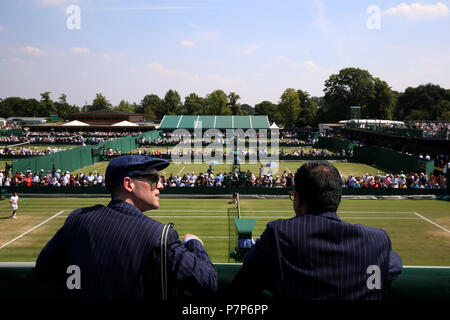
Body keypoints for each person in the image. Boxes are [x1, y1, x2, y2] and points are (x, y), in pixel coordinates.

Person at [34, 155, 218, 300]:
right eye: (153, 179)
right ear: (129, 184)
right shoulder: (160, 235)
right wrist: (194, 244)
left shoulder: (76, 220)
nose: (160, 185)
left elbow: (44, 269)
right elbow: (208, 283)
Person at [231, 160, 402, 300]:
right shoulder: (378, 241)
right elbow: (394, 267)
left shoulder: (278, 234)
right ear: (338, 197)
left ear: (298, 198)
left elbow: (244, 285)